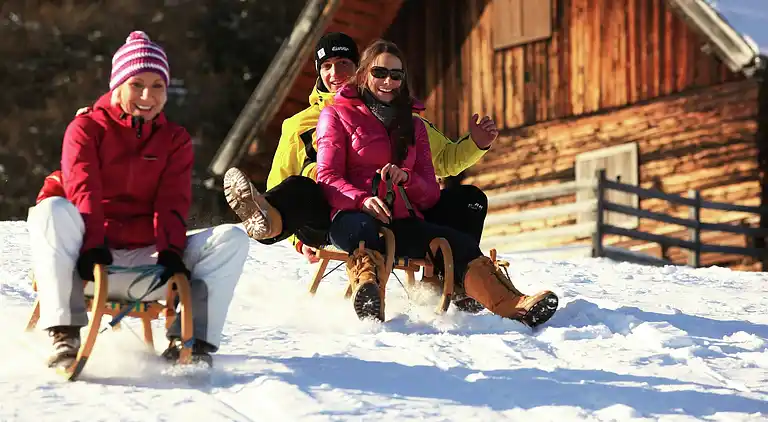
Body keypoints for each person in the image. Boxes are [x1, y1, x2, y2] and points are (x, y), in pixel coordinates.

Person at [223, 32, 498, 310]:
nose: (335, 73)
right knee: (304, 184)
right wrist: (297, 237)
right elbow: (281, 179)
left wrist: (476, 143)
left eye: (343, 63)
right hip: (328, 212)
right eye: (326, 66)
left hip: (391, 208)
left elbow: (445, 161)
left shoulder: (398, 116)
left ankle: (458, 280)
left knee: (469, 198)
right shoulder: (298, 125)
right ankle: (270, 223)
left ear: (361, 68)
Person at [28, 31, 250, 371]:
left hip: (146, 259)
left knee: (232, 239)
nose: (148, 96)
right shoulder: (86, 128)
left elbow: (172, 202)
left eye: (158, 85)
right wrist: (92, 245)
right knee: (52, 209)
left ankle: (191, 343)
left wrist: (172, 254)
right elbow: (82, 189)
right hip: (87, 260)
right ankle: (64, 334)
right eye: (137, 84)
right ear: (118, 85)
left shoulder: (174, 139)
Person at [315, 39, 558, 326]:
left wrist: (407, 179)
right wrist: (362, 199)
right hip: (352, 215)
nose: (388, 82)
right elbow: (327, 177)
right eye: (380, 73)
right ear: (365, 72)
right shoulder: (336, 114)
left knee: (456, 242)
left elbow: (431, 194)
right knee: (363, 231)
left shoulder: (415, 126)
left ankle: (514, 305)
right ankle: (368, 294)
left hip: (400, 218)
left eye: (396, 75)